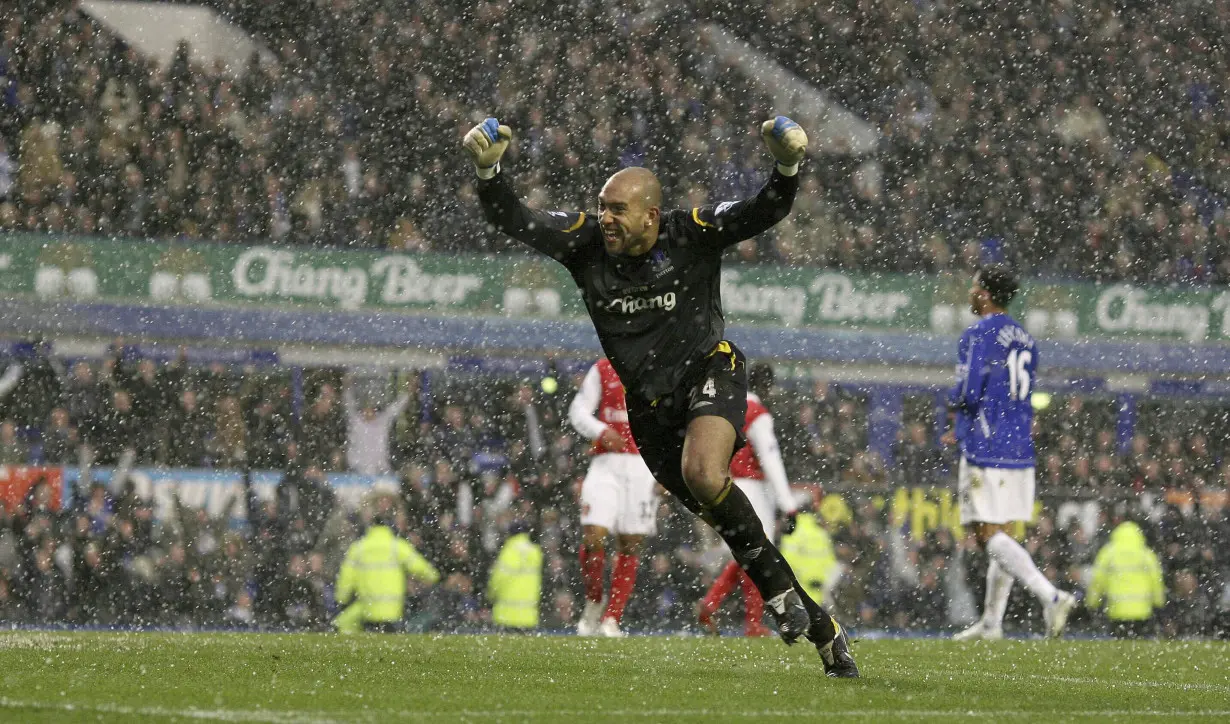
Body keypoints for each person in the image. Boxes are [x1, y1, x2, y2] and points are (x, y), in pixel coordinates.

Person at [465, 114, 857, 676]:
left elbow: (762, 210)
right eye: (602, 207)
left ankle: (784, 603)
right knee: (725, 520)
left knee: (704, 473)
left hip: (710, 374)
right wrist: (488, 171)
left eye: (617, 210)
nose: (605, 219)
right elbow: (515, 219)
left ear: (651, 214)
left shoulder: (689, 233)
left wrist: (786, 167)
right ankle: (821, 627)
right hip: (650, 416)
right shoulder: (586, 245)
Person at [944, 264, 1077, 640]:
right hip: (1019, 445)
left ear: (984, 293)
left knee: (985, 534)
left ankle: (1050, 596)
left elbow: (969, 392)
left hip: (986, 445)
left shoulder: (977, 333)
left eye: (973, 287)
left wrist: (951, 407)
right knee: (1002, 532)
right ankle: (991, 622)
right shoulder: (1027, 339)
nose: (970, 293)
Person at [697, 362, 799, 637]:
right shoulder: (759, 415)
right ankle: (752, 623)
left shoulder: (732, 409)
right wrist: (788, 506)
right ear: (767, 386)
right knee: (758, 554)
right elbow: (771, 459)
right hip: (753, 488)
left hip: (728, 484)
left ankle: (711, 603)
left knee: (745, 553)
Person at [568, 357, 658, 637]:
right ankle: (594, 600)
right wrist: (601, 430)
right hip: (607, 462)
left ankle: (612, 618)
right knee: (594, 535)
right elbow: (578, 410)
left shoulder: (664, 369)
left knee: (630, 543)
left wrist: (669, 470)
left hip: (644, 466)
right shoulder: (604, 368)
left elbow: (675, 421)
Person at [333, 497, 440, 634]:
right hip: (393, 611)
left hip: (368, 609)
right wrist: (432, 577)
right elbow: (425, 570)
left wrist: (342, 599)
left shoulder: (358, 548)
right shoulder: (397, 546)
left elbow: (346, 578)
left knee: (349, 628)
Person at [1086, 521, 1165, 638]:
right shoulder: (1146, 554)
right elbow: (1156, 580)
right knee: (1140, 650)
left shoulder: (1108, 553)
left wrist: (1092, 603)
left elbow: (1098, 580)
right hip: (1142, 611)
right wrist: (1159, 603)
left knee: (1119, 650)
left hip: (1116, 611)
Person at [343, 373, 411, 475]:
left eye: (371, 409)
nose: (368, 412)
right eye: (365, 409)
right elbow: (348, 404)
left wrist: (408, 392)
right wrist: (347, 387)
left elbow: (397, 407)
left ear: (375, 410)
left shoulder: (383, 421)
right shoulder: (356, 421)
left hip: (381, 471)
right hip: (357, 471)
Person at [487, 521, 543, 631]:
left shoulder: (509, 551)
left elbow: (498, 579)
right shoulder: (535, 552)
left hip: (506, 615)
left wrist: (490, 595)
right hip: (529, 616)